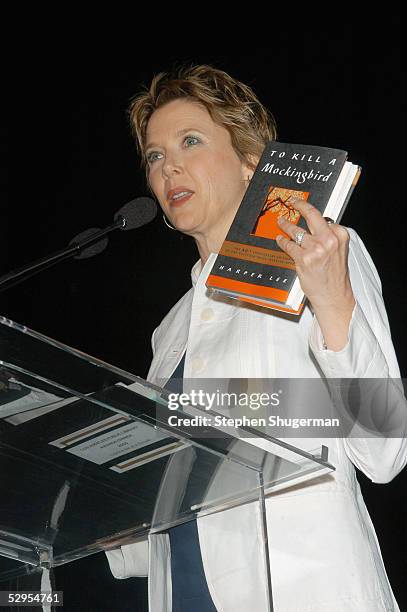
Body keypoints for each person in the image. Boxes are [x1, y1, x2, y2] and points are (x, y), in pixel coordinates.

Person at [105, 64, 406, 611]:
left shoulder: (317, 257)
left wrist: (333, 297)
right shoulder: (169, 330)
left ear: (251, 163)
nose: (168, 164)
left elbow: (383, 445)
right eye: (154, 155)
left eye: (189, 141)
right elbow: (153, 522)